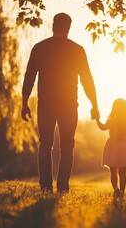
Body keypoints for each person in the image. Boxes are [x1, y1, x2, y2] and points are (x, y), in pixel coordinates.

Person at [21, 13, 100, 194]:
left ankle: (46, 187)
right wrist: (94, 105)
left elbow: (29, 77)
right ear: (69, 28)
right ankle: (63, 187)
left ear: (53, 26)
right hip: (69, 106)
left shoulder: (40, 48)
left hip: (46, 106)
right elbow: (88, 80)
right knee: (67, 147)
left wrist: (24, 104)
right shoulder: (77, 50)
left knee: (45, 145)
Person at [95, 98, 126, 198]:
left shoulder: (111, 121)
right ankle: (121, 191)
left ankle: (116, 189)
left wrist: (97, 119)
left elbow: (102, 127)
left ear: (114, 109)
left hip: (112, 147)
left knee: (113, 172)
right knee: (123, 173)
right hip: (124, 147)